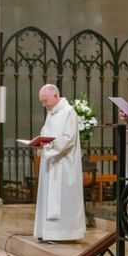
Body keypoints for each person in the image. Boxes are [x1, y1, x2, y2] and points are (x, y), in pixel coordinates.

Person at [33, 84, 86, 242]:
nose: (44, 105)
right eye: (42, 102)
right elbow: (45, 133)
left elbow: (68, 139)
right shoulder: (51, 113)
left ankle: (65, 233)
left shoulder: (69, 112)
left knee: (63, 200)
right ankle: (47, 232)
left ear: (56, 96)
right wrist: (39, 143)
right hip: (51, 164)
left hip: (64, 165)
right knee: (48, 199)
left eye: (45, 101)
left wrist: (48, 148)